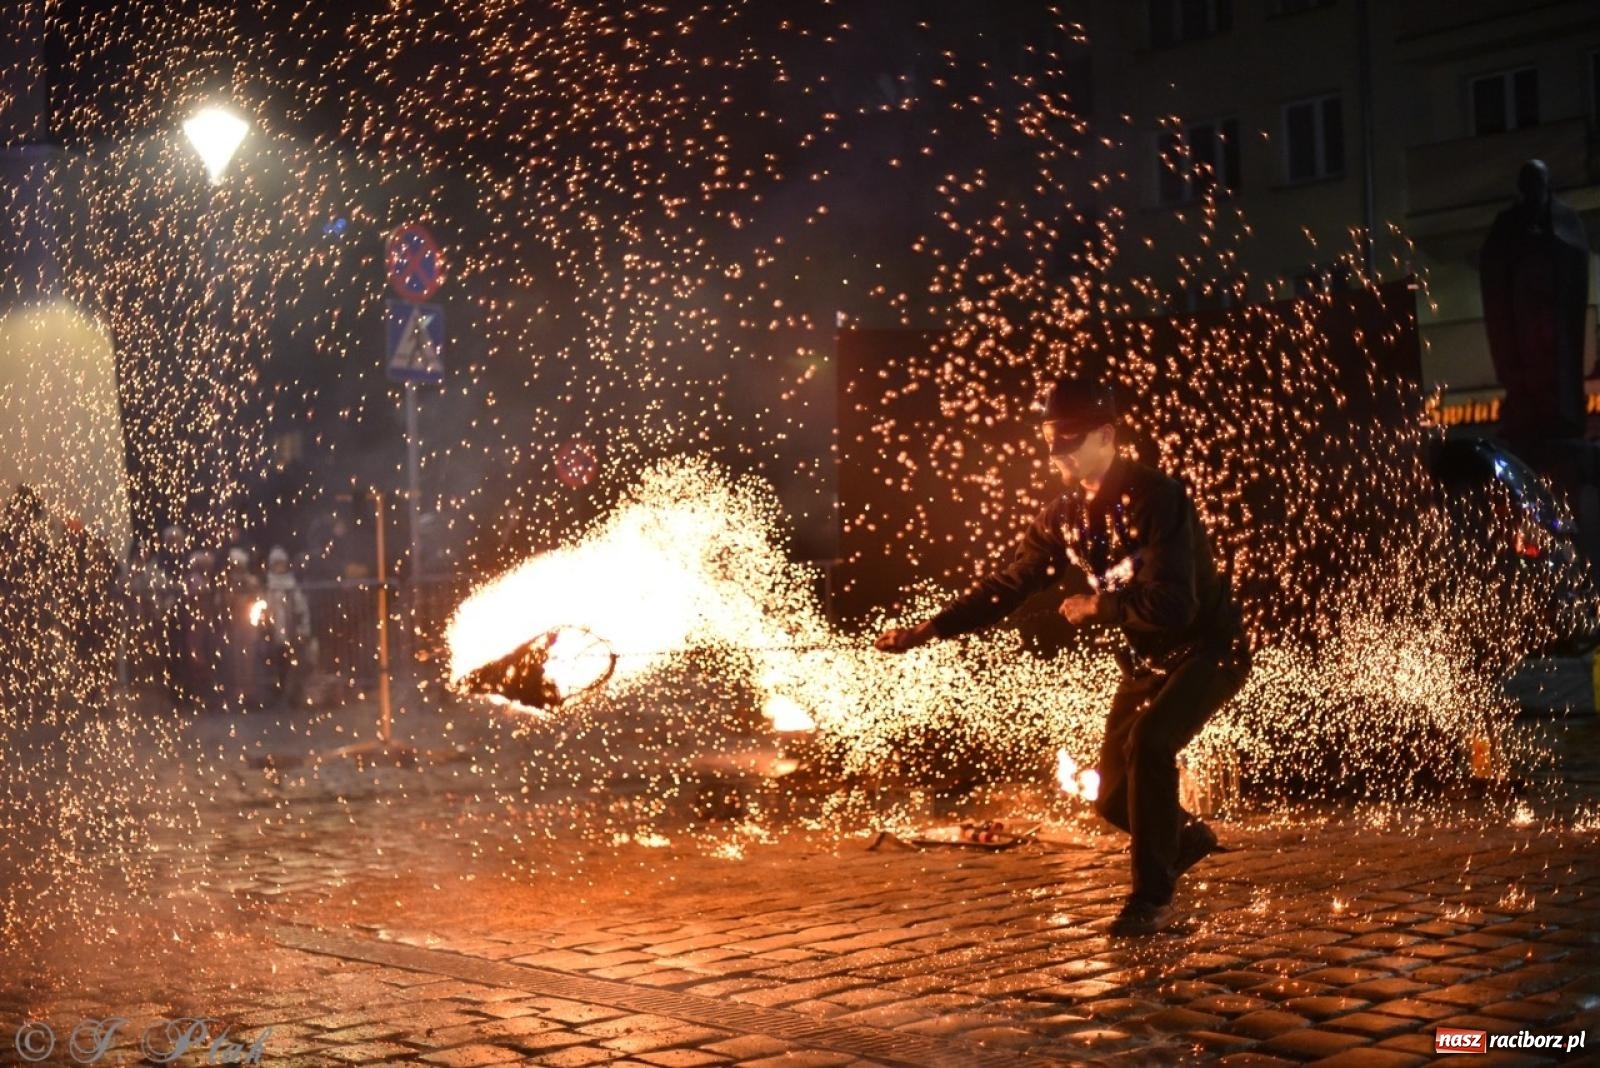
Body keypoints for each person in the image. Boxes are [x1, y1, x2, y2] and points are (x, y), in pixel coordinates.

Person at [875, 376, 1253, 935]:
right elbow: (1007, 586)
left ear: (1106, 435)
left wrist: (1098, 606)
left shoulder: (1159, 498)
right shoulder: (1065, 516)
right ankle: (1186, 837)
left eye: (1068, 439)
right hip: (1145, 665)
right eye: (1050, 439)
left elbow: (1175, 603)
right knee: (1110, 800)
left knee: (1151, 744)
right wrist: (929, 629)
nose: (1057, 453)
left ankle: (1150, 900)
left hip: (1209, 651)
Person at [262, 546, 313, 707]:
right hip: (274, 631)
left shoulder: (292, 587)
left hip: (291, 632)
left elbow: (301, 609)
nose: (279, 567)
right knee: (277, 665)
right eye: (276, 564)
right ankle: (277, 695)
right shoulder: (268, 586)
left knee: (293, 664)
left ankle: (292, 696)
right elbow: (264, 608)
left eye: (281, 564)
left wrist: (303, 628)